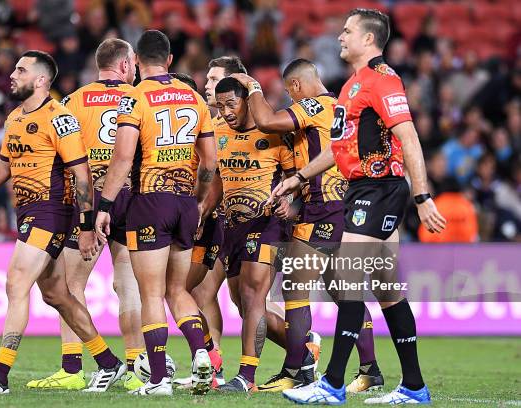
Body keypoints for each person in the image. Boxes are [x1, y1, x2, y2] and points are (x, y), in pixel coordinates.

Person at [273, 9, 445, 405]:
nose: (340, 37)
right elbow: (338, 150)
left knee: (350, 281)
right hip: (361, 189)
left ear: (369, 39)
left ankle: (332, 383)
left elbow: (410, 137)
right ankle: (415, 387)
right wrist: (298, 179)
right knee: (387, 290)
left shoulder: (383, 81)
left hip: (379, 189)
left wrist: (422, 196)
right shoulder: (351, 85)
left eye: (348, 31)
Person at [0, 50, 125, 394]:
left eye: (20, 70)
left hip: (51, 211)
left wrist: (84, 229)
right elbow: (3, 166)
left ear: (40, 80)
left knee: (15, 282)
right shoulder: (14, 118)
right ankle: (109, 363)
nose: (11, 74)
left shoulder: (60, 117)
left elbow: (81, 176)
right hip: (29, 211)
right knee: (57, 295)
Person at [231, 58, 384, 393]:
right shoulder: (340, 108)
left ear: (297, 87)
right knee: (343, 290)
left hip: (322, 210)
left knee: (295, 288)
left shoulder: (314, 106)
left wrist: (255, 87)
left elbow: (268, 120)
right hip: (346, 204)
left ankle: (297, 370)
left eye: (289, 92)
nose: (290, 99)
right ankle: (371, 370)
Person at [93, 30, 218, 396]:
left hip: (149, 200)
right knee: (177, 289)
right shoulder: (195, 98)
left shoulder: (134, 98)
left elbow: (121, 158)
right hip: (184, 202)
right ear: (168, 60)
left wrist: (105, 205)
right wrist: (197, 198)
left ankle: (159, 379)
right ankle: (201, 354)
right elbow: (209, 162)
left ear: (136, 63)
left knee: (151, 294)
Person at [25, 39, 146, 392]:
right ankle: (136, 367)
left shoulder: (74, 100)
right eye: (133, 65)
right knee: (129, 286)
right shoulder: (137, 98)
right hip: (131, 198)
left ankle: (72, 367)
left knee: (70, 285)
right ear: (124, 65)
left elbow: (60, 157)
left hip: (89, 201)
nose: (135, 70)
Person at [206, 77, 300, 393]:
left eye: (231, 104)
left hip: (269, 225)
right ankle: (303, 353)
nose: (227, 112)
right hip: (232, 228)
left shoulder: (273, 132)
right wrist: (203, 210)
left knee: (252, 295)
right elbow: (218, 179)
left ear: (247, 100)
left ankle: (246, 376)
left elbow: (296, 178)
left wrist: (288, 203)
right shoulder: (218, 131)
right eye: (221, 106)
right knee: (244, 305)